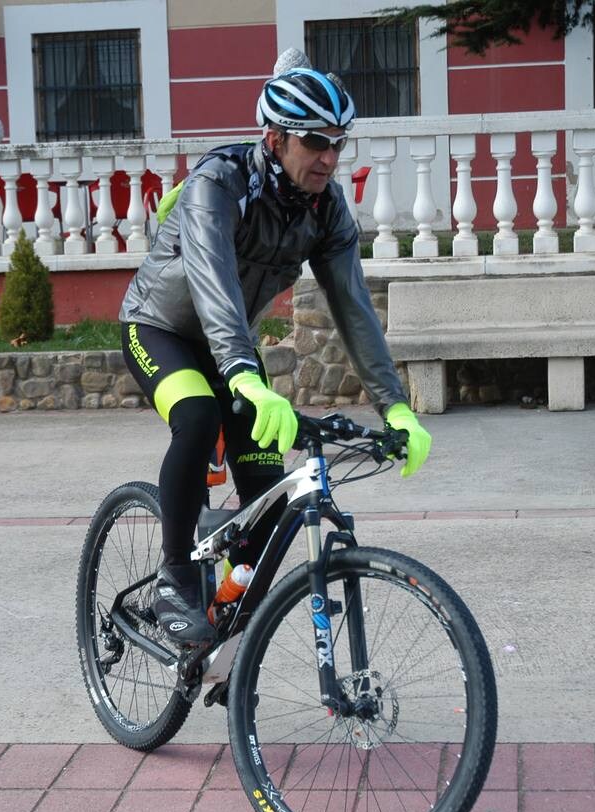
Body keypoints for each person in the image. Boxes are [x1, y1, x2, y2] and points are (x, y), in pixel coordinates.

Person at [118, 51, 432, 645]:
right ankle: (175, 576)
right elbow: (211, 281)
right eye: (315, 142)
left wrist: (395, 406)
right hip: (160, 327)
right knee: (198, 415)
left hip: (229, 345)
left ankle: (224, 614)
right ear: (275, 137)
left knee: (268, 501)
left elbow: (354, 308)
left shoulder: (327, 208)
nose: (330, 157)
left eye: (339, 143)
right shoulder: (220, 183)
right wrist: (243, 375)